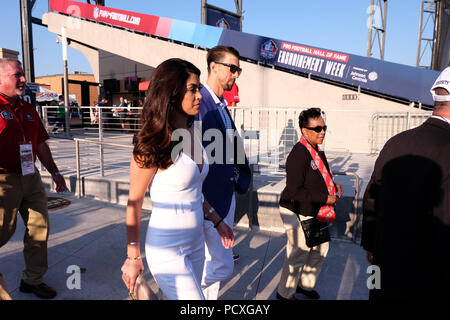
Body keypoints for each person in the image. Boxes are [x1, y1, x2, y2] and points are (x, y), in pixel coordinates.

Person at [121, 58, 234, 300]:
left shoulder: (193, 131)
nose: (200, 95)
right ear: (172, 93)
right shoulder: (152, 143)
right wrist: (133, 257)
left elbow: (193, 190)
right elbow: (134, 203)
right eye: (193, 89)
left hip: (195, 245)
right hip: (166, 249)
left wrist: (216, 220)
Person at [361, 67, 450, 300]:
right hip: (427, 276)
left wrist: (370, 244)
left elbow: (371, 198)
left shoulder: (395, 142)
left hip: (383, 263)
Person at [0, 58, 68, 299]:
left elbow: (39, 143)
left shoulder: (28, 108)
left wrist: (56, 172)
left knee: (39, 227)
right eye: (16, 75)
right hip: (3, 180)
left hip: (30, 176)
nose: (22, 79)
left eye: (23, 74)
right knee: (2, 231)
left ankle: (33, 280)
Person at [195, 45, 252, 300]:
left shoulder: (220, 105)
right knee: (221, 264)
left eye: (239, 69)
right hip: (209, 201)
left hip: (226, 195)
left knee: (214, 261)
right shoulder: (199, 105)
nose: (236, 74)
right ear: (214, 67)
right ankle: (182, 287)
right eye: (233, 68)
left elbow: (230, 147)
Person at [277, 107, 342, 300]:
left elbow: (319, 176)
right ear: (304, 131)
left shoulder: (315, 150)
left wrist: (332, 186)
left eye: (324, 127)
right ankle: (285, 294)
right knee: (298, 252)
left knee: (321, 248)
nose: (322, 132)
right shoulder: (299, 154)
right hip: (297, 209)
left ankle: (305, 285)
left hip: (315, 208)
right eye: (317, 129)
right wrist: (325, 198)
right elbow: (294, 191)